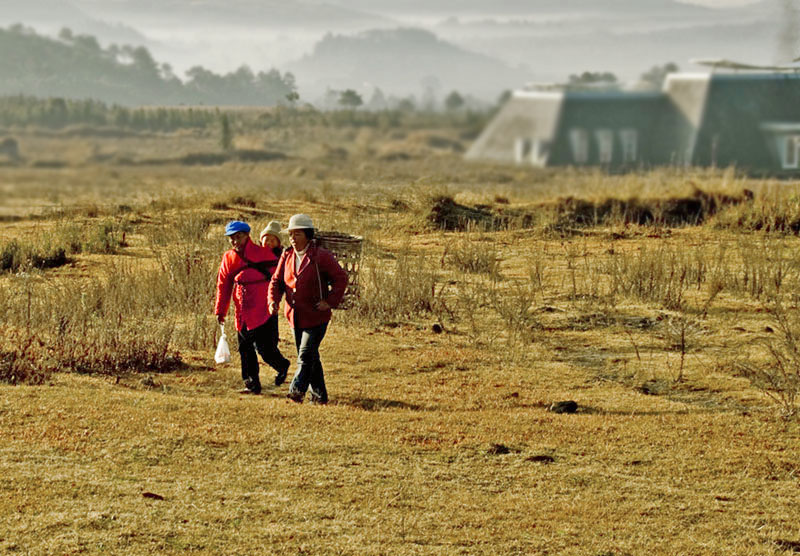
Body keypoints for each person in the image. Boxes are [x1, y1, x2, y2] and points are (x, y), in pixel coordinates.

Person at [268, 214, 348, 404]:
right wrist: (273, 300)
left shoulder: (321, 255)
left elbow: (341, 278)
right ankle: (319, 397)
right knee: (311, 357)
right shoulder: (287, 256)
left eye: (298, 234)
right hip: (295, 317)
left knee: (305, 355)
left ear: (308, 235)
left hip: (316, 317)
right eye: (291, 235)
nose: (293, 239)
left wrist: (329, 301)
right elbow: (276, 281)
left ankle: (296, 391)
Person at [215, 220, 291, 394]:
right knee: (245, 347)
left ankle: (282, 365)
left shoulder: (263, 253)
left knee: (266, 349)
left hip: (264, 308)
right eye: (231, 238)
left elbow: (281, 275)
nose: (235, 241)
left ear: (247, 236)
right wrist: (221, 310)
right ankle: (251, 383)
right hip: (242, 309)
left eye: (238, 237)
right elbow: (223, 284)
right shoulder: (229, 257)